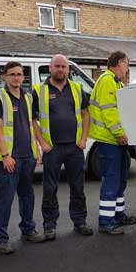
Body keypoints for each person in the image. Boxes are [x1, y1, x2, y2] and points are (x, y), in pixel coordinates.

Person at [32, 54, 93, 240]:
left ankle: (80, 222)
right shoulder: (38, 91)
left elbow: (85, 114)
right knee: (50, 188)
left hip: (74, 148)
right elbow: (32, 120)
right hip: (53, 149)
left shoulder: (76, 88)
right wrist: (42, 143)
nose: (60, 69)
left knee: (78, 187)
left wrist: (83, 140)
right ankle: (49, 225)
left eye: (63, 66)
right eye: (57, 66)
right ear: (50, 68)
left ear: (68, 69)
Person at [0, 61, 46, 254]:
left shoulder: (28, 97)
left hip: (27, 156)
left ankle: (28, 229)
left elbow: (32, 124)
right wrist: (5, 155)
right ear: (5, 77)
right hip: (9, 159)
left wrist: (37, 150)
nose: (16, 77)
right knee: (4, 199)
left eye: (19, 74)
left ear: (23, 77)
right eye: (12, 74)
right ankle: (1, 239)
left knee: (27, 196)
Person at [88, 51, 136, 235]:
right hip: (110, 140)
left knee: (120, 180)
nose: (127, 68)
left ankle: (118, 215)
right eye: (126, 64)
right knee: (111, 180)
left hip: (115, 141)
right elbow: (109, 111)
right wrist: (119, 133)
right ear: (118, 63)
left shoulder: (115, 82)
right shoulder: (108, 80)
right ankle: (106, 221)